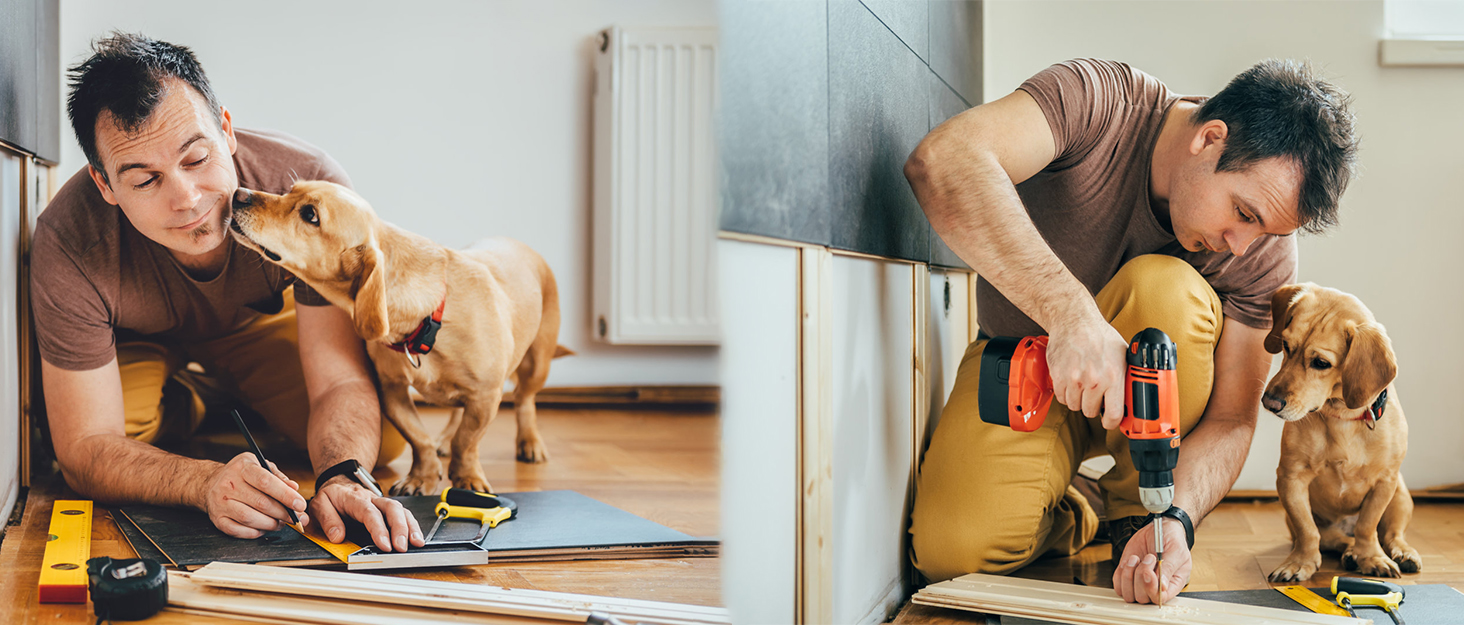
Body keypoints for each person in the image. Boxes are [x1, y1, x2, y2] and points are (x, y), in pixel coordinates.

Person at [904, 58, 1357, 604]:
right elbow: (944, 160)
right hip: (1024, 362)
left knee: (1165, 288)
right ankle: (1080, 506)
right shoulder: (1097, 102)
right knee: (952, 555)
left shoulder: (1262, 252)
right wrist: (1072, 316)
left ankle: (1137, 511)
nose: (1242, 244)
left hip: (1153, 425)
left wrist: (1180, 519)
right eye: (1242, 212)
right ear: (1210, 139)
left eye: (1264, 230)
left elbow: (1233, 418)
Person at [32, 32, 421, 553]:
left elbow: (336, 381)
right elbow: (83, 447)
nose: (187, 200)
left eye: (196, 159)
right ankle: (196, 400)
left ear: (227, 131)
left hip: (250, 324)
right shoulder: (67, 239)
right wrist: (203, 482)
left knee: (385, 440)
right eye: (145, 181)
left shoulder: (310, 186)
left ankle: (228, 386)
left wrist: (344, 473)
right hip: (135, 338)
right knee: (122, 438)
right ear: (105, 185)